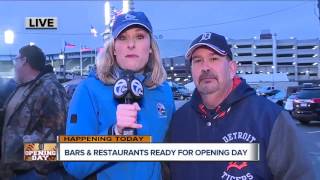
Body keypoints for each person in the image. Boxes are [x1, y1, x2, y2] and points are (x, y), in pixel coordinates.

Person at [166, 32, 316, 180]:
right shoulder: (178, 121)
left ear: (231, 69)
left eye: (214, 58)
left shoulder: (270, 118)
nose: (205, 67)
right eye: (198, 61)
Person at [64, 11, 175, 179]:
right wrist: (114, 135)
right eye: (122, 38)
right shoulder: (89, 90)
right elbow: (73, 164)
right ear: (114, 48)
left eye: (139, 36)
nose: (131, 44)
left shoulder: (163, 91)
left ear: (150, 47)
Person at [0, 45, 69, 179]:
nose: (14, 65)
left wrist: (36, 169)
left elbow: (57, 134)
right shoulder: (21, 88)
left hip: (34, 173)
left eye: (16, 60)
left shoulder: (50, 88)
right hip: (13, 172)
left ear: (24, 60)